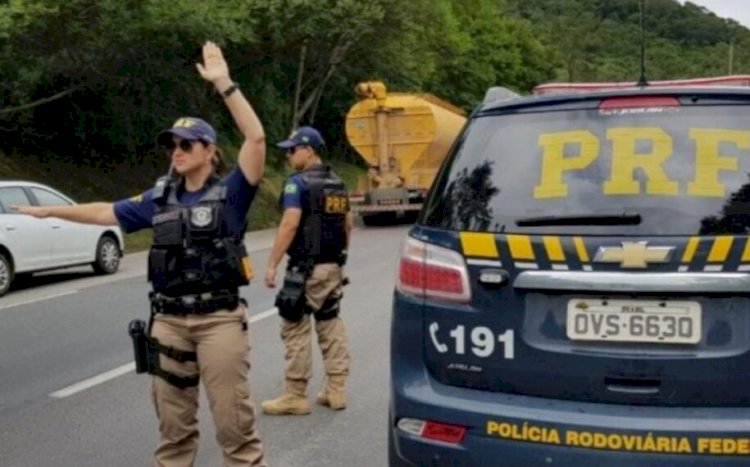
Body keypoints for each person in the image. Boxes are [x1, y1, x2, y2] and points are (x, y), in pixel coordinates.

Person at [15, 41, 267, 467]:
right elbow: (105, 211)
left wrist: (223, 83)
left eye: (187, 144)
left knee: (233, 426)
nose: (177, 151)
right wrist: (48, 209)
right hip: (168, 322)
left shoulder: (233, 193)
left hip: (217, 321)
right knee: (173, 428)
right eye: (173, 144)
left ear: (209, 150)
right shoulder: (159, 197)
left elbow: (256, 137)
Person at [262, 126, 353, 416]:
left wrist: (273, 263)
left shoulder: (297, 184)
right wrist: (339, 259)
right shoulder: (337, 183)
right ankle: (336, 390)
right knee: (329, 322)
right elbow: (347, 225)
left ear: (309, 149)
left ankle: (295, 394)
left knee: (294, 325)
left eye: (293, 149)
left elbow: (290, 224)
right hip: (332, 266)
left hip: (305, 267)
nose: (288, 155)